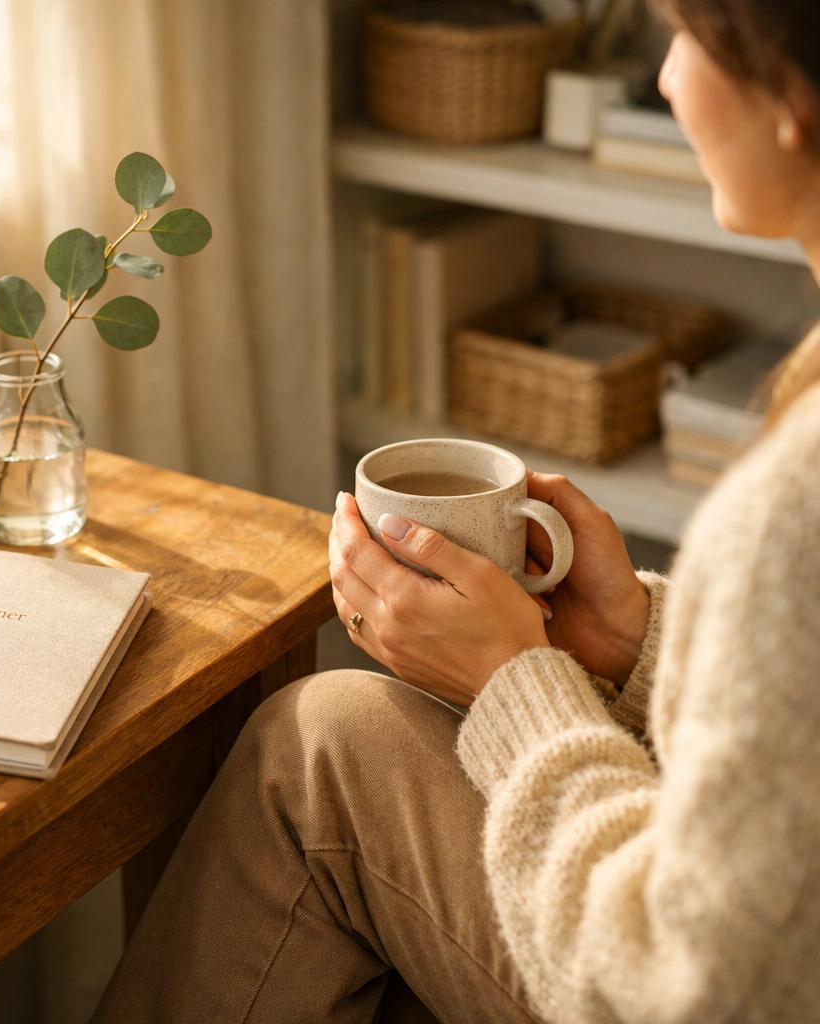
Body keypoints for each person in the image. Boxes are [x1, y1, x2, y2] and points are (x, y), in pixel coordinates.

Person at [94, 1, 820, 1020]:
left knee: (309, 757)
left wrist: (510, 685)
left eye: (683, 37)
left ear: (789, 98)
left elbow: (686, 990)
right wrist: (636, 646)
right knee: (328, 730)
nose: (663, 80)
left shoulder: (791, 503)